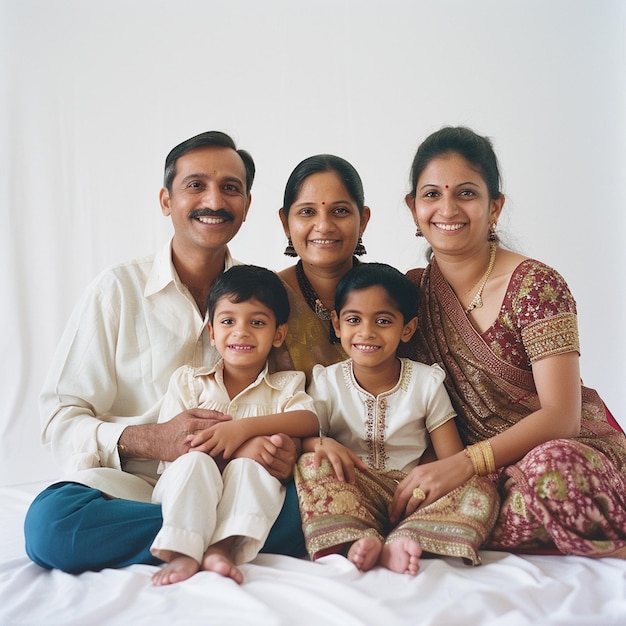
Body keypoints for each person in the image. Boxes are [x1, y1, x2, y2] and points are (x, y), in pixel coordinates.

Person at [24, 131, 302, 573]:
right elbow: (60, 419)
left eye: (230, 188)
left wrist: (287, 450)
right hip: (130, 487)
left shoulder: (265, 297)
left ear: (246, 205)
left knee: (323, 509)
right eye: (196, 185)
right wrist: (149, 438)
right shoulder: (116, 290)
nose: (214, 200)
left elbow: (288, 402)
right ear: (165, 200)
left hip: (237, 479)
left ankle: (200, 535)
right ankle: (225, 535)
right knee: (51, 525)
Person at [397, 125, 626, 557]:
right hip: (480, 478)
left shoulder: (536, 285)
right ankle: (493, 519)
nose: (447, 208)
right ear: (413, 208)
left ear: (494, 206)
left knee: (549, 470)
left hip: (562, 456)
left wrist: (465, 464)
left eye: (465, 193)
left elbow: (562, 418)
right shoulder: (410, 295)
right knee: (409, 488)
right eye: (431, 195)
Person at [295, 263, 499, 575]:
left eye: (383, 321)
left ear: (407, 328)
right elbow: (306, 436)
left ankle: (407, 537)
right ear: (337, 324)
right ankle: (359, 538)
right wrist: (320, 443)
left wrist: (424, 486)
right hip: (355, 488)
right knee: (312, 464)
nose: (367, 332)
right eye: (353, 320)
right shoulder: (327, 382)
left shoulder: (426, 382)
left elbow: (452, 460)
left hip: (415, 493)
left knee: (481, 489)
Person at [151, 265, 319, 586]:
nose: (241, 331)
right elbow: (175, 451)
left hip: (247, 493)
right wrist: (245, 447)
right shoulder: (189, 383)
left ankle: (220, 548)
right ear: (212, 333)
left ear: (278, 334)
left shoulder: (286, 386)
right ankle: (183, 551)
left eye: (257, 322)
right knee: (197, 462)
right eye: (228, 321)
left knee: (250, 470)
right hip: (186, 483)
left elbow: (308, 420)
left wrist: (243, 430)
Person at [269, 154, 371, 382]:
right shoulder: (264, 298)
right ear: (285, 222)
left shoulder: (390, 292)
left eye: (340, 211)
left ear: (363, 220)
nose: (324, 226)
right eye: (307, 212)